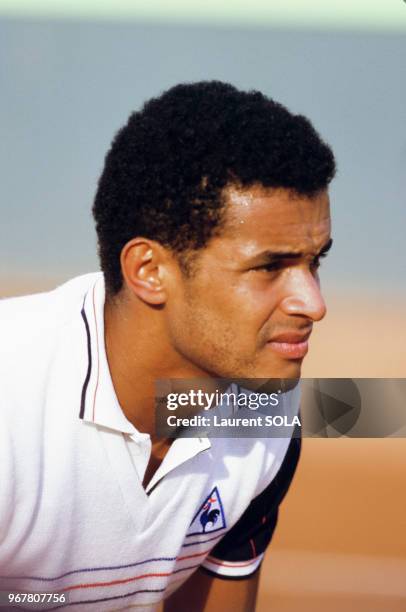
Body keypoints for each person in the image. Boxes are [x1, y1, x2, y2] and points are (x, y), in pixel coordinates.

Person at [0, 81, 335, 611]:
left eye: (314, 262)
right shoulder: (10, 403)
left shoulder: (266, 410)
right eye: (270, 266)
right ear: (149, 271)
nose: (313, 304)